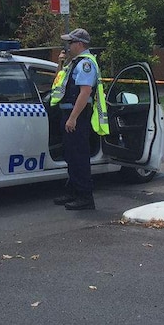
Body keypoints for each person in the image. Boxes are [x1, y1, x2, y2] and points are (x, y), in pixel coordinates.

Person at [49, 28, 109, 210]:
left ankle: (85, 196)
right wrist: (60, 63)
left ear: (80, 44)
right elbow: (58, 83)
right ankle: (73, 190)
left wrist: (73, 118)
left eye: (70, 42)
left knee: (79, 156)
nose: (68, 46)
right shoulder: (73, 63)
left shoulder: (86, 64)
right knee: (70, 155)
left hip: (78, 116)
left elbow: (85, 93)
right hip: (67, 113)